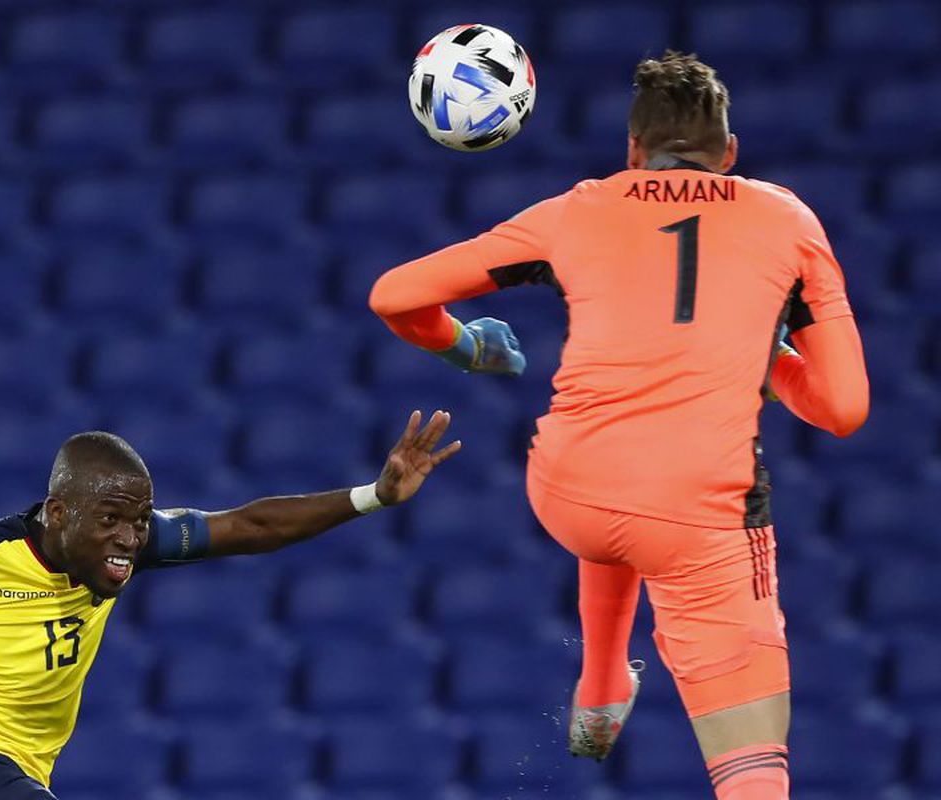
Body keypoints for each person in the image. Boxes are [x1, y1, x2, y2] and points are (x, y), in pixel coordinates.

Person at [369, 50, 869, 800]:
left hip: (565, 492)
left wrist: (468, 348)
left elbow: (393, 296)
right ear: (729, 156)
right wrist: (769, 361)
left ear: (631, 151)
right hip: (695, 519)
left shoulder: (577, 208)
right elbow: (843, 409)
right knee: (755, 771)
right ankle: (622, 694)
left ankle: (601, 687)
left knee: (622, 463)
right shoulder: (788, 219)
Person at [0, 410, 460, 800]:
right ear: (59, 513)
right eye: (112, 522)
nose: (130, 540)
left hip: (28, 774)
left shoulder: (122, 548)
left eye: (140, 522)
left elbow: (250, 526)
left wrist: (374, 495)